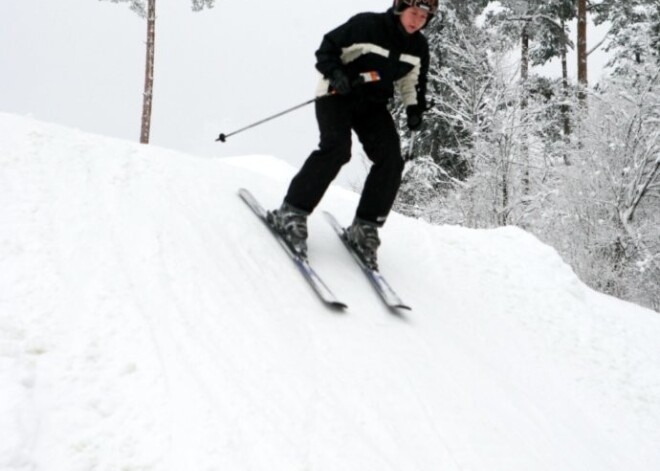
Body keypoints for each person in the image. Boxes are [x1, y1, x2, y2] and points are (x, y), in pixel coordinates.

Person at [269, 0, 436, 269]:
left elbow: (412, 80)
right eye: (413, 12)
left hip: (372, 104)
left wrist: (414, 108)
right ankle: (291, 212)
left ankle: (365, 228)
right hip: (337, 95)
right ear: (399, 8)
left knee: (391, 159)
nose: (417, 20)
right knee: (337, 149)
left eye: (423, 16)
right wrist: (336, 74)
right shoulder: (368, 25)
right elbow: (327, 48)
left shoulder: (418, 47)